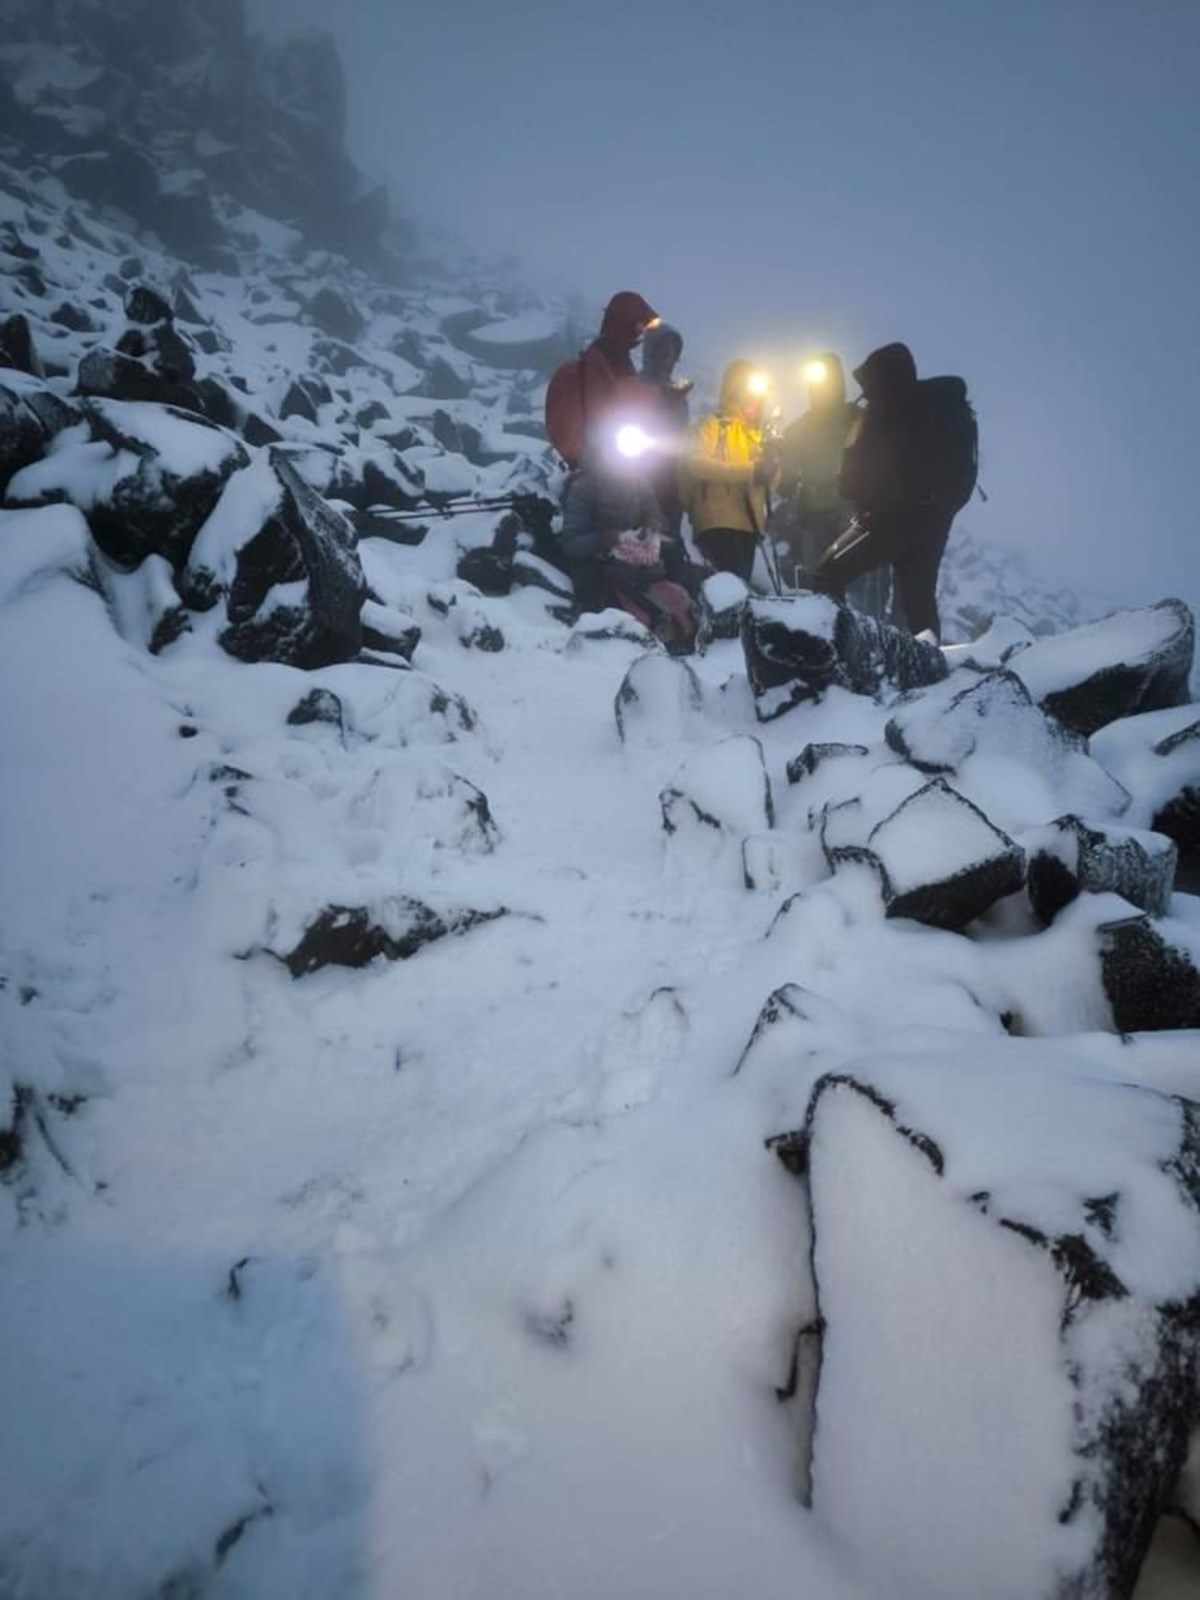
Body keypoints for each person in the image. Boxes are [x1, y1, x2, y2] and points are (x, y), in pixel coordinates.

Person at [812, 341, 976, 641]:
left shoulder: (883, 411)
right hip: (935, 520)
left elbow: (851, 480)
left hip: (885, 520)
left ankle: (835, 653)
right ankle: (930, 670)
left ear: (878, 379)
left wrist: (852, 446)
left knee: (826, 575)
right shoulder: (941, 405)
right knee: (919, 600)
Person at [776, 353, 888, 618]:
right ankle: (836, 640)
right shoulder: (802, 428)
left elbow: (786, 481)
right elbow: (786, 478)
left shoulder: (857, 417)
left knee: (843, 582)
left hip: (852, 510)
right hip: (822, 515)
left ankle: (863, 639)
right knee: (827, 584)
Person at [680, 358, 775, 583]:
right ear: (735, 392)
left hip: (749, 526)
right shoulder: (712, 425)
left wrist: (772, 466)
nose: (755, 402)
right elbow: (695, 464)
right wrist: (751, 470)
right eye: (749, 395)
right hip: (717, 522)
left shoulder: (757, 437)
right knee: (731, 587)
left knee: (737, 589)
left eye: (758, 398)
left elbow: (769, 484)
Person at [637, 322, 692, 541]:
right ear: (651, 350)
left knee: (669, 538)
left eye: (673, 349)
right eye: (663, 348)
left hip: (673, 477)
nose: (668, 354)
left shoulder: (678, 394)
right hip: (642, 473)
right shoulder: (636, 386)